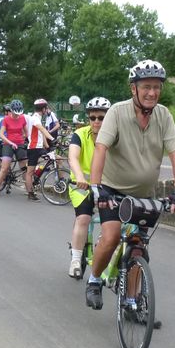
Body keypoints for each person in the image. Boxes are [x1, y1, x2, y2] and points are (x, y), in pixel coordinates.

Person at [85, 60, 175, 310]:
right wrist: (96, 186)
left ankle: (131, 301)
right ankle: (94, 280)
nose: (152, 92)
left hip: (143, 194)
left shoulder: (163, 115)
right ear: (134, 89)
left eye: (156, 87)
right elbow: (101, 148)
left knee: (138, 247)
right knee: (110, 237)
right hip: (112, 190)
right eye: (146, 87)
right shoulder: (117, 113)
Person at [67, 97, 111, 278]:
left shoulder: (114, 136)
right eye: (92, 118)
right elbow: (73, 158)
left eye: (101, 118)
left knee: (113, 223)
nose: (96, 122)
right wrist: (79, 177)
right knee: (84, 218)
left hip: (106, 185)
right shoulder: (80, 134)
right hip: (82, 186)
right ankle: (76, 260)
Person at [0, 99, 28, 197]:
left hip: (19, 144)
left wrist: (24, 138)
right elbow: (1, 134)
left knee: (24, 168)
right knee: (4, 168)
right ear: (11, 111)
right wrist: (11, 142)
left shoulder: (22, 118)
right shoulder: (6, 119)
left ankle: (28, 188)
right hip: (8, 144)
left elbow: (26, 132)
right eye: (15, 114)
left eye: (19, 114)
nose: (17, 116)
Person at [25, 99, 55, 201]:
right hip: (33, 148)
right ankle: (30, 193)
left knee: (55, 158)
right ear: (43, 109)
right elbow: (42, 129)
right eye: (46, 108)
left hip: (39, 147)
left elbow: (41, 133)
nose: (47, 110)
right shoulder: (35, 118)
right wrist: (52, 139)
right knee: (29, 172)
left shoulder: (38, 118)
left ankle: (36, 178)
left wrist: (47, 145)